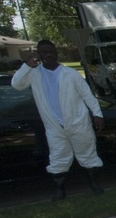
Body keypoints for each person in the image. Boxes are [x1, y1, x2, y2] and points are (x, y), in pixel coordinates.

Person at [12, 39, 105, 201]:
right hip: (54, 126)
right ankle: (59, 189)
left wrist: (97, 114)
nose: (48, 55)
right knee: (58, 156)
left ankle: (94, 184)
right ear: (39, 54)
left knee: (87, 152)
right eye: (44, 52)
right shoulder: (34, 74)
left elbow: (87, 95)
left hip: (78, 122)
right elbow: (16, 84)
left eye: (51, 52)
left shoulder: (70, 74)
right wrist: (27, 65)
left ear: (56, 53)